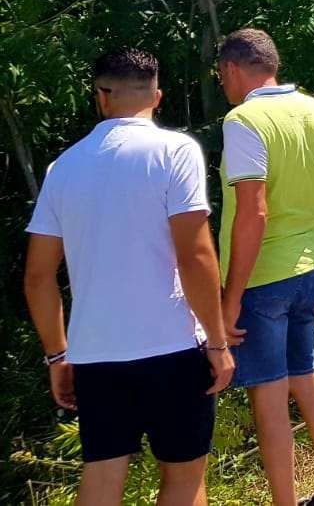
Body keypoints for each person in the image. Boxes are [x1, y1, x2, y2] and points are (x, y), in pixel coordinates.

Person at [23, 48, 234, 506]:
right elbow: (196, 255)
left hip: (95, 353)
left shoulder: (63, 168)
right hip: (172, 346)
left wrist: (57, 354)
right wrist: (217, 343)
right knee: (183, 478)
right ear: (157, 96)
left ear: (100, 96)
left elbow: (38, 277)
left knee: (102, 473)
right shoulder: (176, 151)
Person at [216, 29, 314, 506]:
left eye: (222, 76)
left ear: (233, 70)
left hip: (263, 280)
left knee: (268, 394)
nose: (224, 85)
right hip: (311, 271)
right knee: (305, 375)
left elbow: (253, 212)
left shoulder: (243, 120)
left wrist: (231, 296)